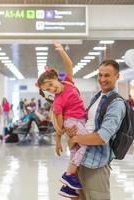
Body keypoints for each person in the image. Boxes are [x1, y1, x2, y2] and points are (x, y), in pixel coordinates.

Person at [65, 60, 126, 200]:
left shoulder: (116, 104)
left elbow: (102, 136)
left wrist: (76, 139)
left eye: (107, 75)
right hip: (81, 160)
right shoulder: (97, 97)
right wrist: (72, 133)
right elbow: (87, 125)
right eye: (100, 75)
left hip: (97, 164)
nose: (102, 79)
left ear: (117, 76)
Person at [36, 42, 87, 198]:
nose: (52, 89)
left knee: (74, 153)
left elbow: (69, 64)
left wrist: (61, 50)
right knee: (87, 143)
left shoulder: (69, 82)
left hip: (80, 121)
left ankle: (67, 188)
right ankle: (69, 175)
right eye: (48, 89)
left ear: (56, 77)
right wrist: (59, 139)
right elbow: (58, 123)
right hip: (72, 122)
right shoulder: (57, 101)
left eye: (51, 85)